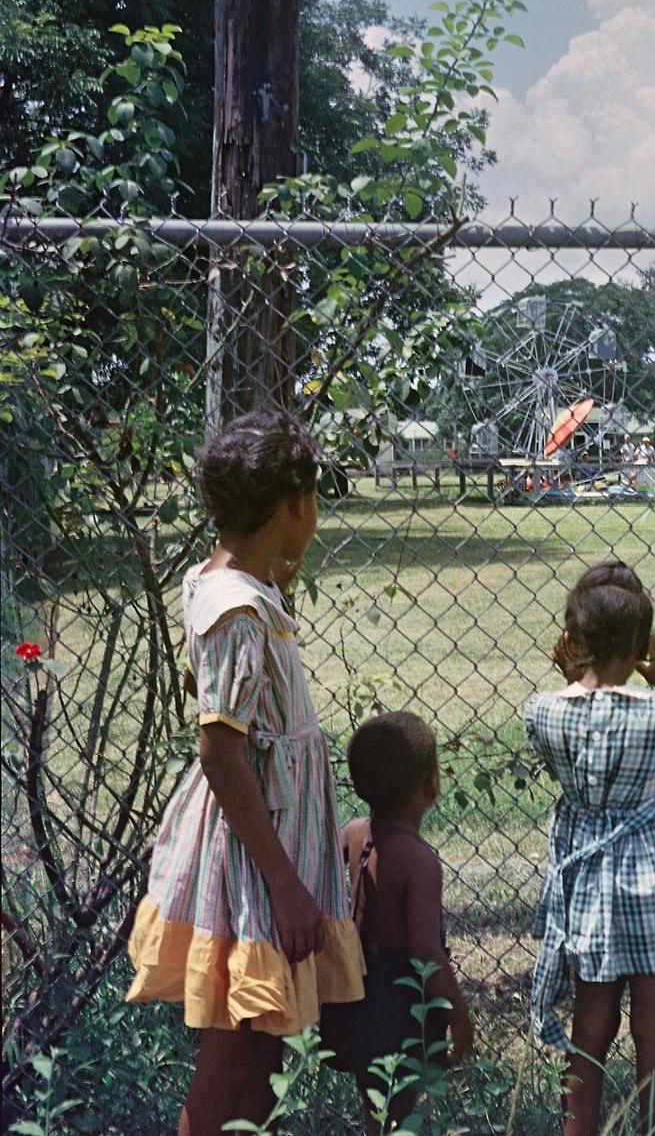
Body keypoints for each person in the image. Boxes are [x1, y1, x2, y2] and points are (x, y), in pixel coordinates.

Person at [126, 410, 363, 1136]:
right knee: (232, 1055)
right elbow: (221, 753)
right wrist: (286, 887)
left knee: (266, 1044)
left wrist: (280, 567)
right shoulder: (238, 611)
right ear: (295, 502)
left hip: (270, 846)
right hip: (256, 866)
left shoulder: (236, 584)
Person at [524, 561, 655, 1136]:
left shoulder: (544, 712)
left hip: (589, 888)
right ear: (643, 643)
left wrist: (571, 674)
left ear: (572, 639)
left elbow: (571, 741)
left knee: (589, 1032)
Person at [321, 712, 474, 1135]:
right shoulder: (419, 861)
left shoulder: (353, 833)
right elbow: (425, 950)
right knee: (400, 1107)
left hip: (354, 989)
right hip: (400, 1001)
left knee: (374, 1100)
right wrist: (458, 1012)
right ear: (431, 783)